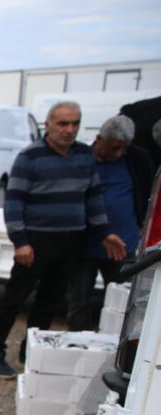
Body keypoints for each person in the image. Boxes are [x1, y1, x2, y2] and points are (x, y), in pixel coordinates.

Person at [0, 101, 127, 378]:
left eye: (75, 123)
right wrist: (20, 241)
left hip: (70, 240)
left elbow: (94, 198)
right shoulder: (30, 157)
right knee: (14, 298)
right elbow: (14, 202)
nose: (69, 130)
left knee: (50, 300)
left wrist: (104, 232)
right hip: (36, 240)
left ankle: (32, 352)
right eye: (63, 123)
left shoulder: (85, 156)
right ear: (47, 125)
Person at [67, 115, 157, 330]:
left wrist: (143, 222)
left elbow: (147, 191)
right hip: (85, 243)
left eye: (124, 148)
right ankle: (79, 339)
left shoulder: (137, 159)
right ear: (99, 139)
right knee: (79, 298)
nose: (119, 153)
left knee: (122, 298)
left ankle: (116, 342)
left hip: (123, 242)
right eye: (114, 148)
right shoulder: (80, 158)